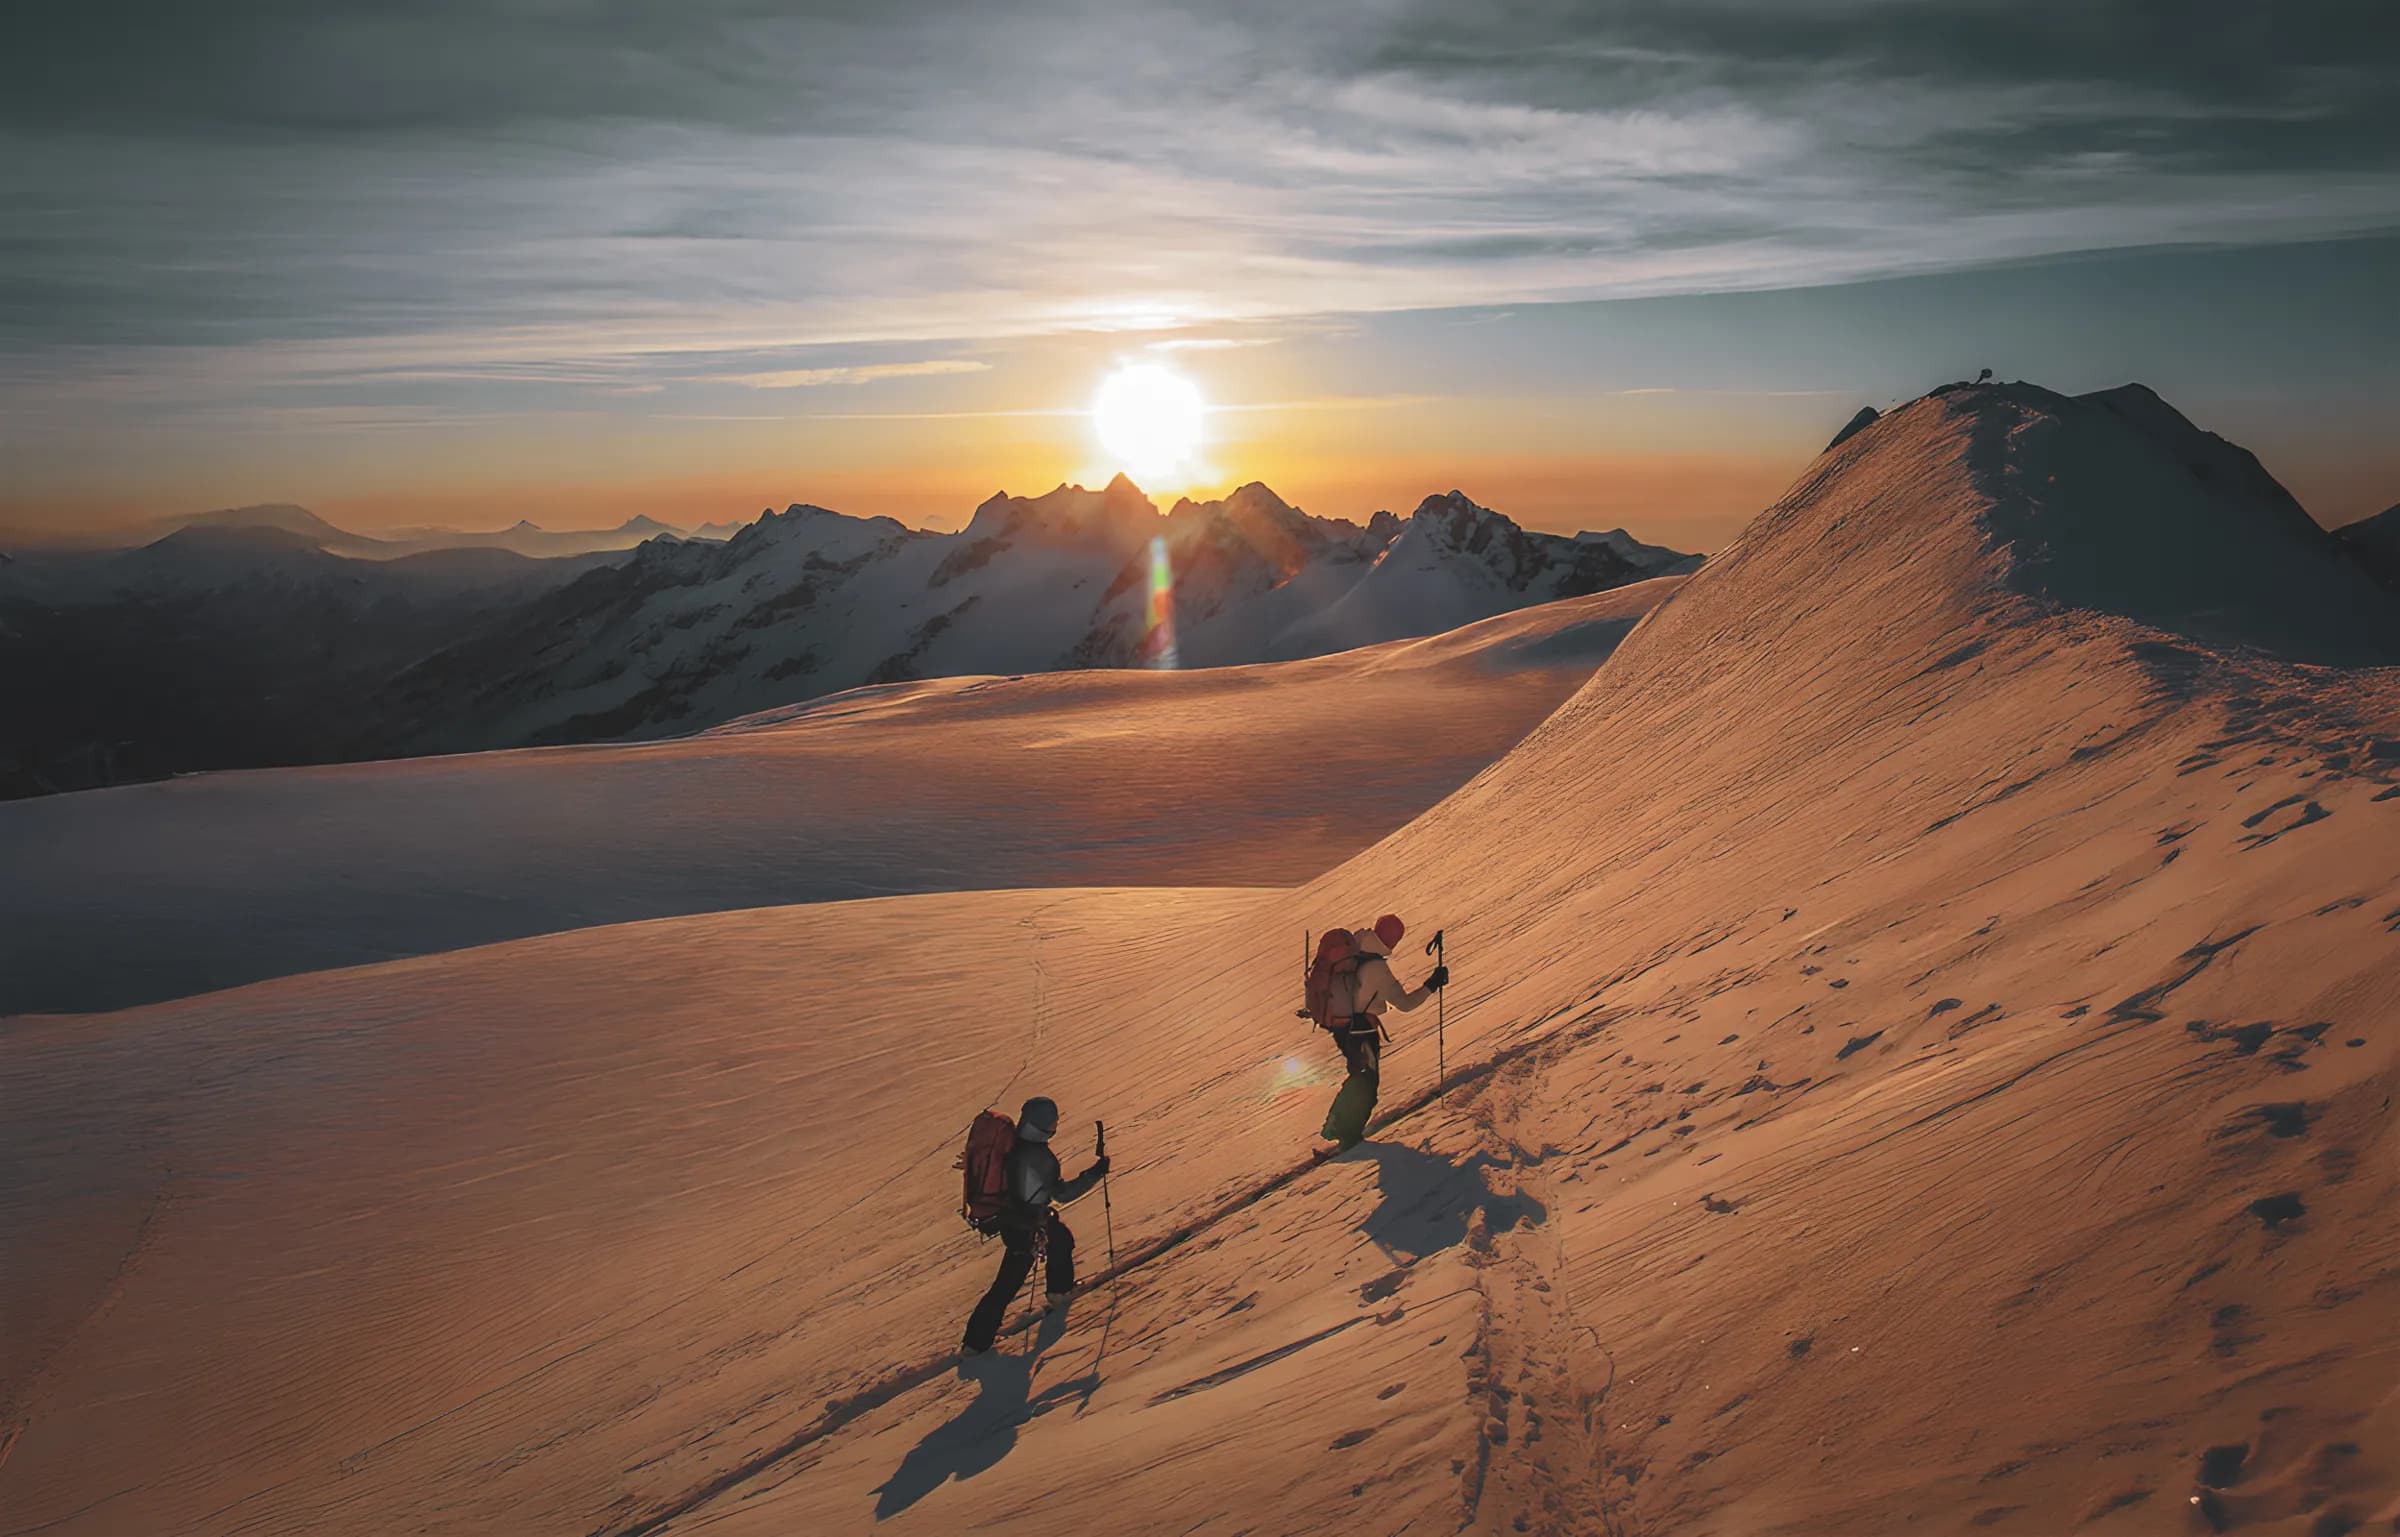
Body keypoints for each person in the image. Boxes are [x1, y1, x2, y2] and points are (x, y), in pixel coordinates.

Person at [961, 1096, 1109, 1355]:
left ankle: (1057, 1293)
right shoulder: (1040, 1157)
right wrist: (1094, 1175)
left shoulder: (1012, 1145)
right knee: (1009, 1281)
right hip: (1028, 1225)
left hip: (1013, 1221)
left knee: (1060, 1241)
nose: (1055, 1125)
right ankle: (976, 1343)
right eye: (1052, 1121)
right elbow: (1061, 1194)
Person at [1321, 913, 1447, 1151]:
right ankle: (1347, 1136)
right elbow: (1405, 1004)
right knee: (1366, 1084)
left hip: (1339, 1025)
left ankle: (1337, 1126)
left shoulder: (1354, 947)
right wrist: (1432, 984)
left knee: (1358, 1077)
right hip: (1360, 1031)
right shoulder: (1376, 967)